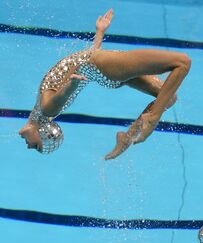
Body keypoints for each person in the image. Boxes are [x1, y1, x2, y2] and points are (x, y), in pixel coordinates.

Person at [18, 8, 190, 158]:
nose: (29, 146)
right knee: (182, 63)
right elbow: (69, 86)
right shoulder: (48, 109)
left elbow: (82, 63)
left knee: (169, 97)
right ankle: (152, 119)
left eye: (36, 147)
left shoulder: (43, 108)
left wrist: (99, 32)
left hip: (102, 68)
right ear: (43, 133)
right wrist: (72, 84)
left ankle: (127, 137)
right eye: (37, 147)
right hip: (104, 67)